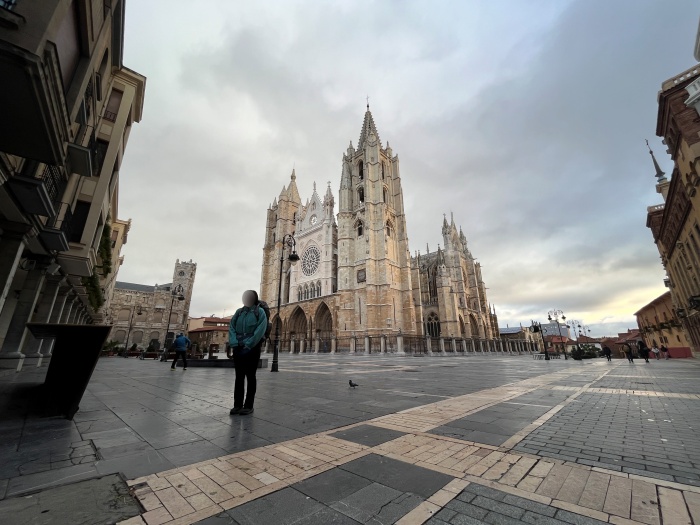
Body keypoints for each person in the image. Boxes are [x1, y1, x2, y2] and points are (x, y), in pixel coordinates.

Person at [229, 290, 268, 416]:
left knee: (250, 377)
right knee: (239, 377)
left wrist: (249, 344)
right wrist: (234, 343)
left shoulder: (259, 312)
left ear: (254, 299)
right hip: (238, 348)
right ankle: (237, 405)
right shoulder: (239, 312)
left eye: (249, 297)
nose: (246, 299)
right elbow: (231, 327)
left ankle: (248, 405)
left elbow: (261, 329)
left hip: (252, 349)